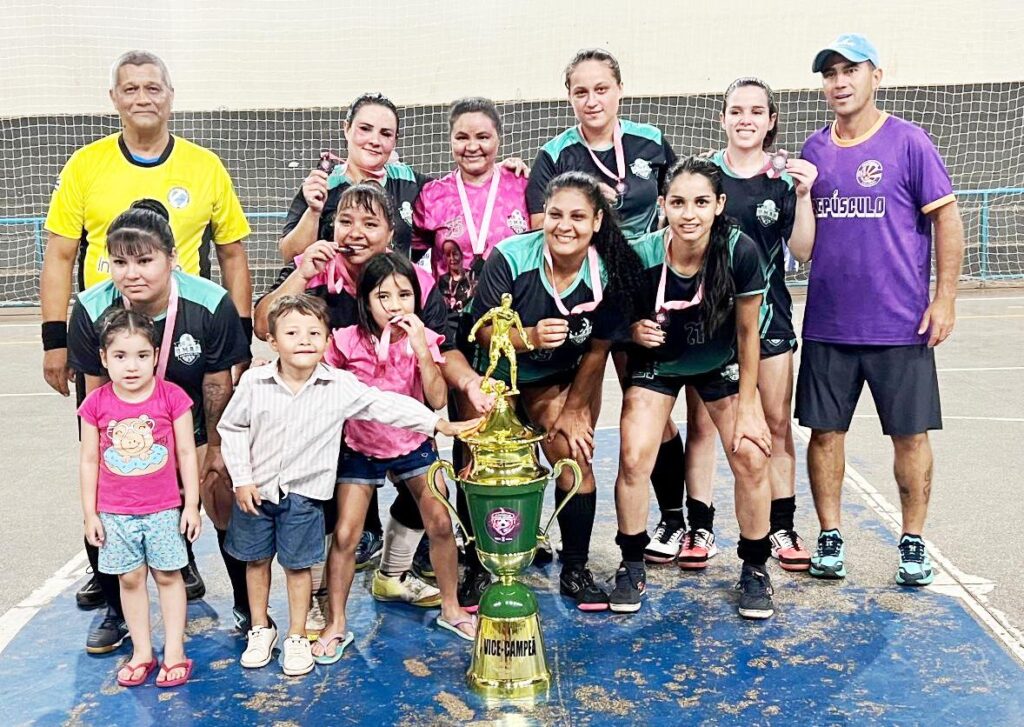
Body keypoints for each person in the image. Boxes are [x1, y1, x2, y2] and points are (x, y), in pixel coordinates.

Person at [40, 49, 252, 614]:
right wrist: (54, 339)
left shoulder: (205, 167)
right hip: (111, 346)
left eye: (152, 87)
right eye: (129, 88)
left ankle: (236, 600)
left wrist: (241, 338)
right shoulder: (85, 166)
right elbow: (60, 254)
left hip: (184, 340)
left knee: (210, 476)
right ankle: (115, 597)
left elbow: (233, 253)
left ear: (170, 95)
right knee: (116, 467)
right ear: (113, 98)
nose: (141, 97)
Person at [255, 184, 489, 618]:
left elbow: (440, 381)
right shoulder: (321, 280)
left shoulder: (415, 284)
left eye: (370, 223)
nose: (356, 232)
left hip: (408, 436)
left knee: (436, 514)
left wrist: (451, 370)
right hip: (346, 437)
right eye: (345, 221)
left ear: (391, 230)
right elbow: (264, 324)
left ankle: (400, 578)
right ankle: (323, 611)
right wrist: (302, 274)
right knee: (334, 526)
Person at [218, 295, 473, 674]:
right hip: (257, 493)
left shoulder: (339, 385)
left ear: (326, 341)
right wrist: (242, 479)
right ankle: (260, 629)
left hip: (303, 497)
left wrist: (439, 425)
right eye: (291, 332)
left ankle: (296, 635)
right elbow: (232, 428)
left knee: (299, 566)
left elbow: (386, 405)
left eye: (313, 333)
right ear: (272, 341)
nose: (303, 340)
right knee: (256, 562)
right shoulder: (255, 382)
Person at [797, 35, 964, 585]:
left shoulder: (909, 142)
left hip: (900, 325)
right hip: (829, 323)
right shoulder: (814, 151)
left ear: (876, 75)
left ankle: (913, 541)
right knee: (824, 434)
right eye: (830, 73)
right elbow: (803, 241)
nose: (839, 82)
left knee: (911, 436)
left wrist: (944, 298)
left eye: (851, 70)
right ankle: (830, 536)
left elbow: (947, 219)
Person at [68, 200, 252, 653]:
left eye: (145, 260)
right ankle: (117, 613)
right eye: (121, 261)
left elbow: (216, 386)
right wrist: (105, 468)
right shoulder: (91, 309)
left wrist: (217, 452)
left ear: (173, 259)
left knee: (219, 497)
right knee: (107, 510)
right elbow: (94, 396)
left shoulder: (209, 303)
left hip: (190, 424)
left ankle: (250, 612)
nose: (133, 272)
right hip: (125, 432)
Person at [526, 49, 686, 564]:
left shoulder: (652, 142)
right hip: (583, 299)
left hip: (645, 294)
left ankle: (675, 521)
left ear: (619, 89)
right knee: (577, 424)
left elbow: (682, 201)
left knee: (653, 414)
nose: (591, 100)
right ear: (569, 96)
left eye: (601, 88)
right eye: (580, 91)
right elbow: (540, 227)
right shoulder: (555, 154)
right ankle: (558, 535)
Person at [470, 170, 646, 612]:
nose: (564, 226)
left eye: (577, 216)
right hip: (497, 379)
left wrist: (574, 409)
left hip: (559, 378)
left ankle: (575, 567)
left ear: (597, 222)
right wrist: (527, 335)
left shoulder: (611, 271)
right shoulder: (509, 257)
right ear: (542, 216)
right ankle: (480, 560)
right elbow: (483, 332)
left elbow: (599, 348)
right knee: (482, 467)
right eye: (555, 214)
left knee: (573, 453)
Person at [614, 157, 775, 618]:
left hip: (717, 362)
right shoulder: (640, 255)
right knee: (633, 454)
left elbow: (748, 335)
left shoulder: (739, 252)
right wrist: (633, 330)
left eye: (702, 202)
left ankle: (755, 566)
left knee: (750, 454)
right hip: (658, 366)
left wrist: (749, 406)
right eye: (679, 203)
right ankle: (630, 562)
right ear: (662, 205)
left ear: (719, 204)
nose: (690, 214)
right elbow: (616, 323)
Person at [678, 78, 818, 572]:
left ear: (771, 120)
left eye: (756, 111)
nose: (746, 119)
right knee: (702, 427)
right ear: (722, 118)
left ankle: (780, 526)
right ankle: (699, 526)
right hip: (708, 322)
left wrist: (804, 195)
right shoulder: (704, 176)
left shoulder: (783, 181)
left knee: (775, 426)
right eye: (736, 110)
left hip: (769, 317)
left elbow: (801, 251)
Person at [309, 254, 478, 663]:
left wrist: (422, 349)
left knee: (440, 521)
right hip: (360, 447)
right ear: (365, 301)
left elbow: (437, 399)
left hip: (414, 442)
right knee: (347, 535)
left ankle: (452, 608)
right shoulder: (345, 340)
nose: (394, 305)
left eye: (404, 294)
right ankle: (336, 621)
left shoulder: (428, 341)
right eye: (382, 296)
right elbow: (322, 389)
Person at [79, 309, 201, 687]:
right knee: (130, 580)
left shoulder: (172, 398)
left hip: (163, 510)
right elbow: (88, 459)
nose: (131, 366)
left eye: (141, 356)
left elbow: (185, 453)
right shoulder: (96, 404)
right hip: (115, 513)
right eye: (120, 356)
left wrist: (192, 505)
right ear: (103, 358)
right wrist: (90, 514)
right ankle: (143, 652)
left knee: (168, 576)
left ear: (155, 355)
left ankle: (175, 651)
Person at [280, 93, 527, 262]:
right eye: (365, 129)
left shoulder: (409, 183)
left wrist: (495, 170)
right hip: (335, 310)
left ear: (394, 140)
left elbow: (461, 190)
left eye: (385, 133)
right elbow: (290, 255)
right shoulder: (322, 186)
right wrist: (313, 211)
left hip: (393, 312)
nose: (375, 140)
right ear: (347, 129)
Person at [414, 97, 530, 281]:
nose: (472, 147)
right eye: (462, 138)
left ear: (499, 139)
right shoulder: (432, 196)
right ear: (450, 140)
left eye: (483, 137)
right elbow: (407, 256)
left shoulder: (523, 185)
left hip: (516, 306)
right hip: (451, 309)